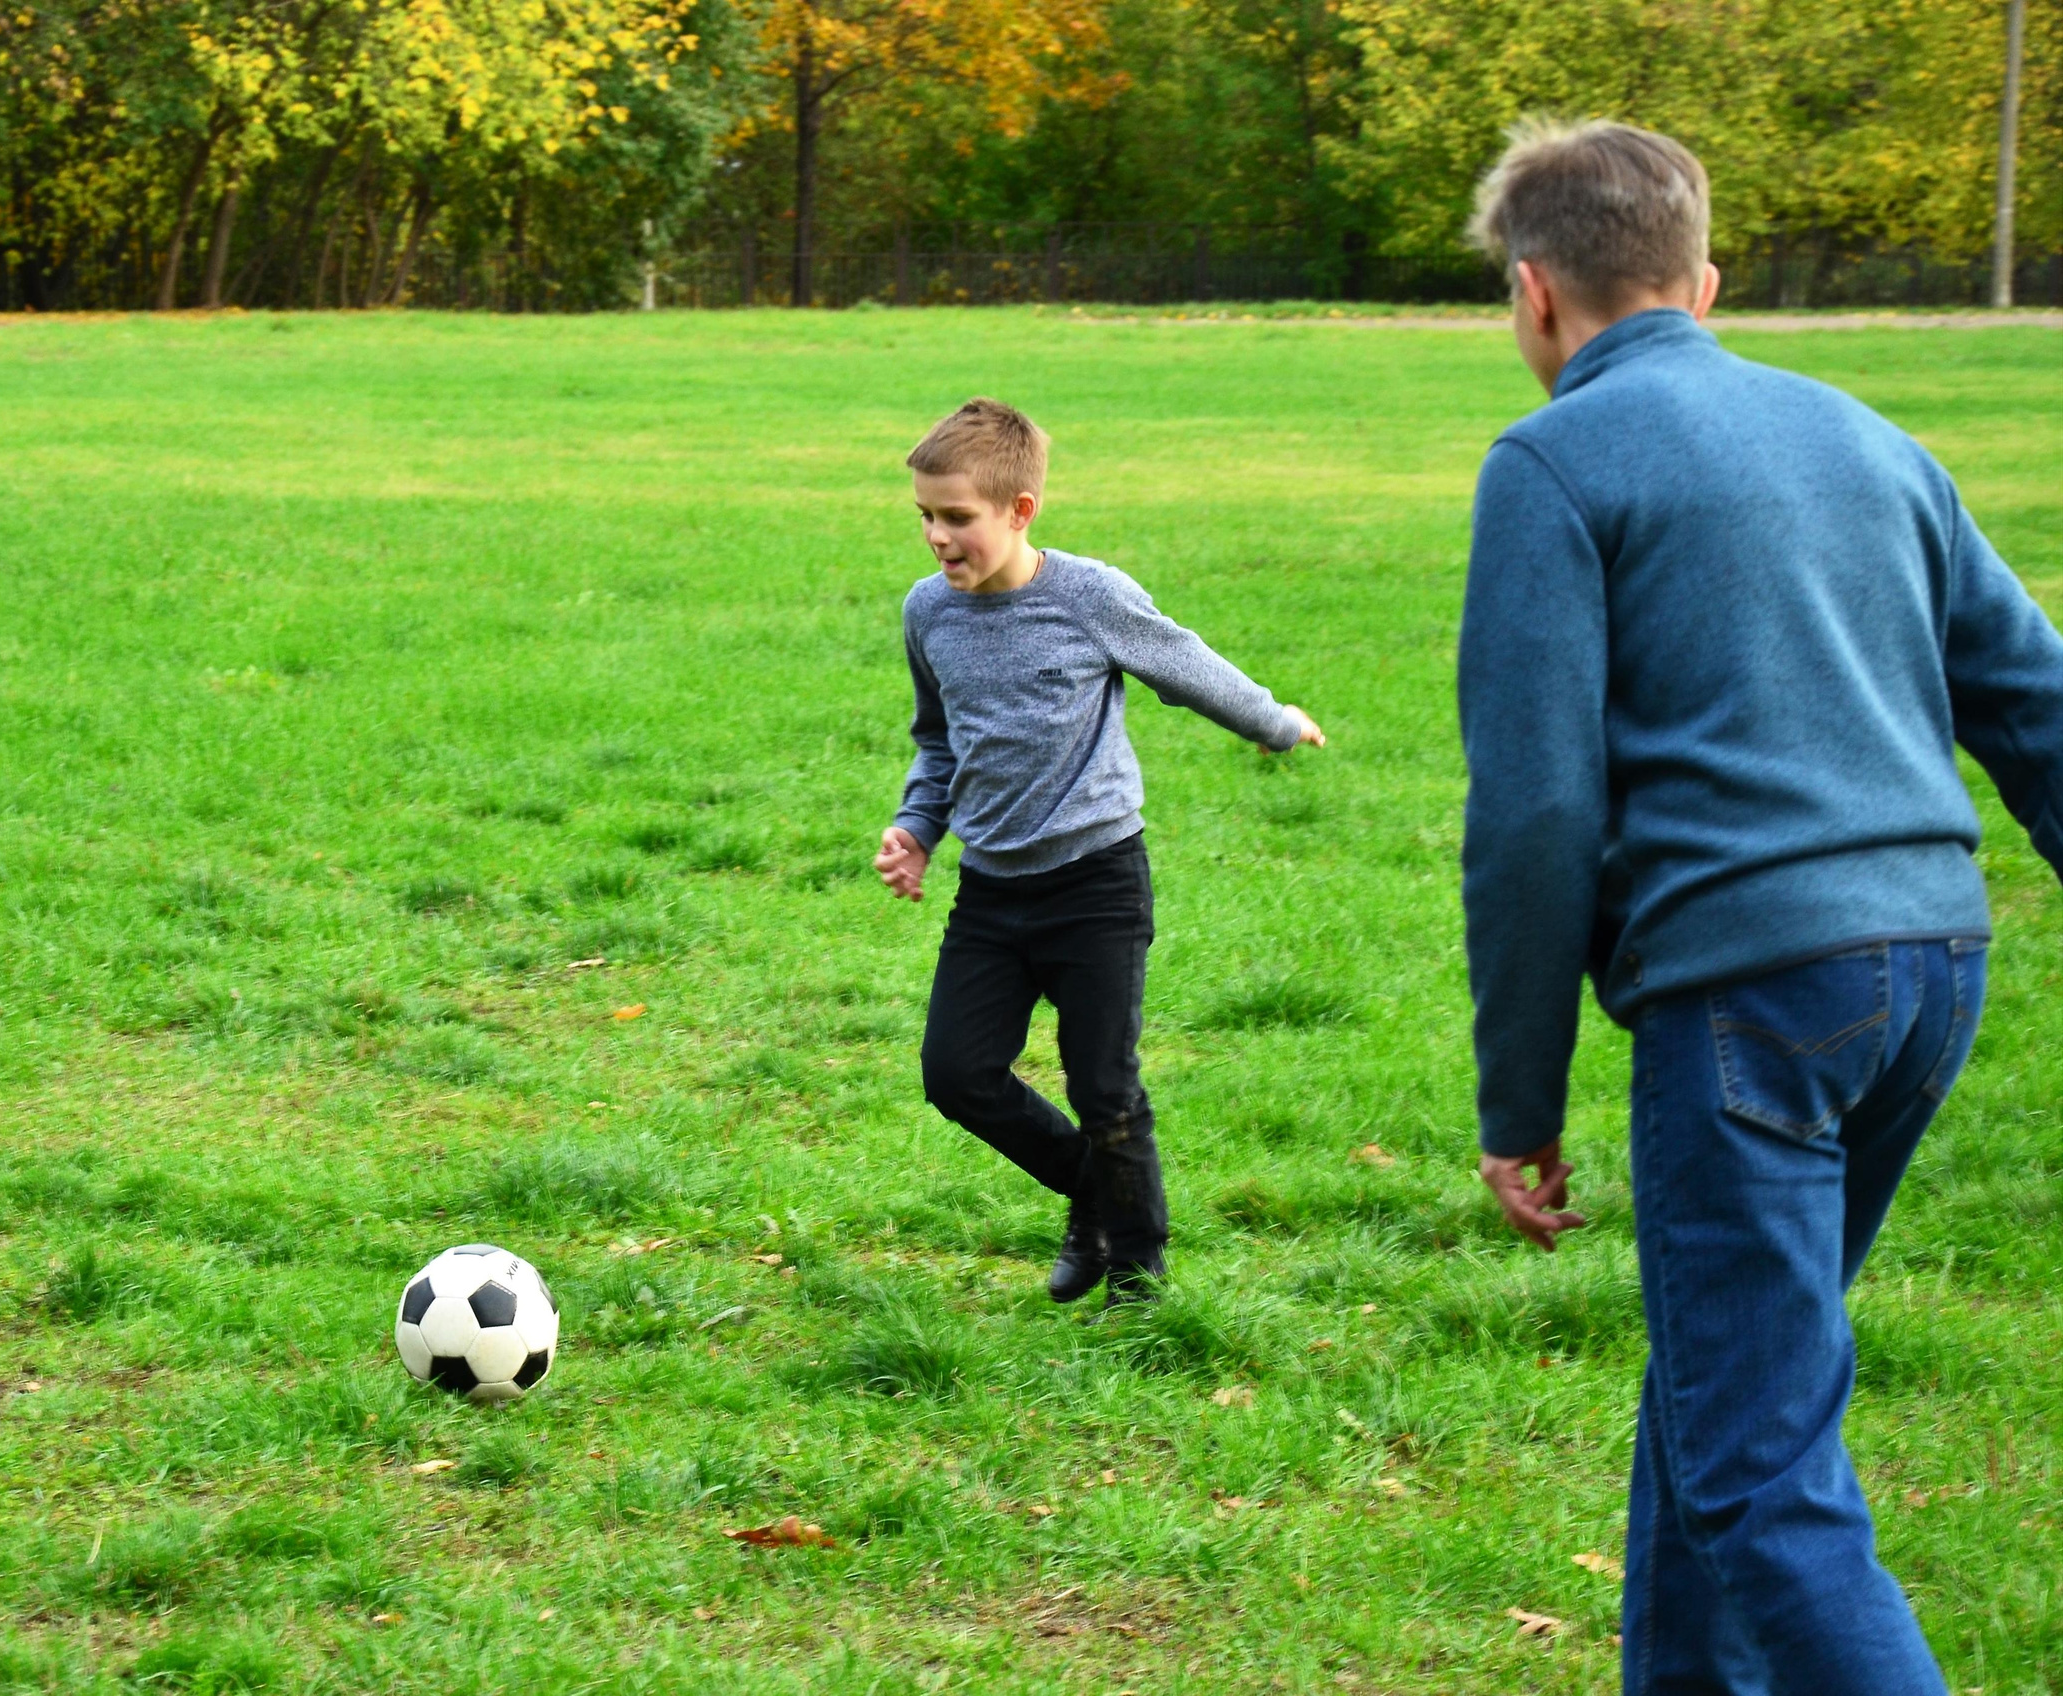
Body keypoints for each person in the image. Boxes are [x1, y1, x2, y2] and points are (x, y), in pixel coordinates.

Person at [1460, 120, 2063, 1694]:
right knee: (1728, 1389)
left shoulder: (1553, 461)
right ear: (1705, 280)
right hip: (1931, 971)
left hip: (1756, 993)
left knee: (1760, 1474)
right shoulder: (1869, 436)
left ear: (1533, 296)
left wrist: (1518, 1096)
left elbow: (1533, 814)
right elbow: (2038, 703)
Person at [874, 398, 1324, 1303]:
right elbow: (939, 739)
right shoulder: (929, 613)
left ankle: (1140, 1274)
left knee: (1104, 1086)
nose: (937, 536)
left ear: (1019, 510)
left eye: (956, 517)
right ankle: (1096, 1196)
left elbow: (1189, 667)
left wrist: (1273, 722)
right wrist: (919, 828)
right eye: (924, 516)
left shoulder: (1089, 597)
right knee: (957, 1075)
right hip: (992, 891)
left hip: (1097, 885)